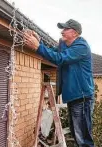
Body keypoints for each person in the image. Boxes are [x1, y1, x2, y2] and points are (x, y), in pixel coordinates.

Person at [24, 19, 95, 147]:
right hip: (73, 97)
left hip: (82, 97)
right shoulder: (65, 45)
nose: (62, 32)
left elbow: (60, 58)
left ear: (74, 33)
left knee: (83, 139)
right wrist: (38, 40)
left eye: (65, 29)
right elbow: (52, 51)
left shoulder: (81, 47)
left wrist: (38, 47)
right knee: (76, 134)